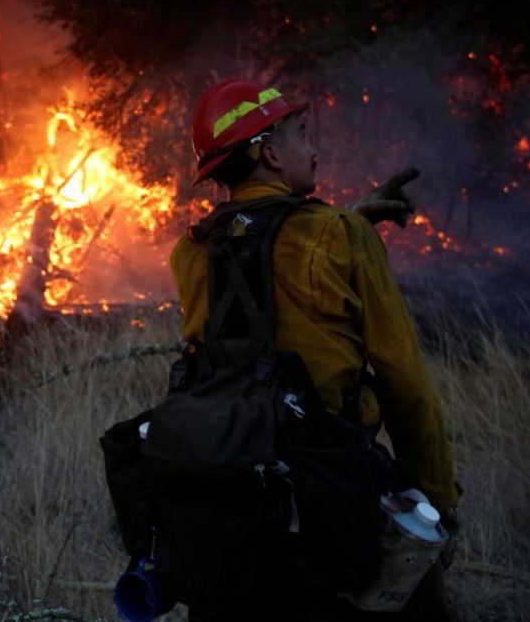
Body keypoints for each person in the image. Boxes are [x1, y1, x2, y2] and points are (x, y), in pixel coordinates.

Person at [170, 79, 460, 620]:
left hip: (228, 502)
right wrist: (436, 501)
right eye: (300, 133)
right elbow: (407, 386)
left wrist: (347, 223)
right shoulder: (338, 236)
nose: (313, 147)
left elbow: (260, 276)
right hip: (334, 503)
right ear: (271, 153)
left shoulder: (191, 252)